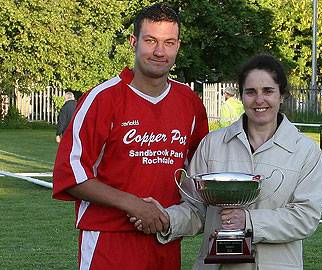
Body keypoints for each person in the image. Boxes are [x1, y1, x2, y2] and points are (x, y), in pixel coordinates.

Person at [52, 3, 208, 270]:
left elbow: (200, 170)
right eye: (150, 41)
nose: (160, 51)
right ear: (133, 42)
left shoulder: (189, 102)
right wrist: (134, 205)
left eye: (169, 42)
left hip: (165, 239)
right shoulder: (102, 99)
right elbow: (70, 175)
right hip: (109, 241)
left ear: (178, 46)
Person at [138, 54, 322, 270]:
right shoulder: (213, 144)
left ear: (282, 95)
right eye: (251, 92)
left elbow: (305, 217)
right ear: (242, 96)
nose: (259, 100)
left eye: (268, 91)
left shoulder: (306, 151)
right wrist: (166, 218)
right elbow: (195, 209)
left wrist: (249, 221)